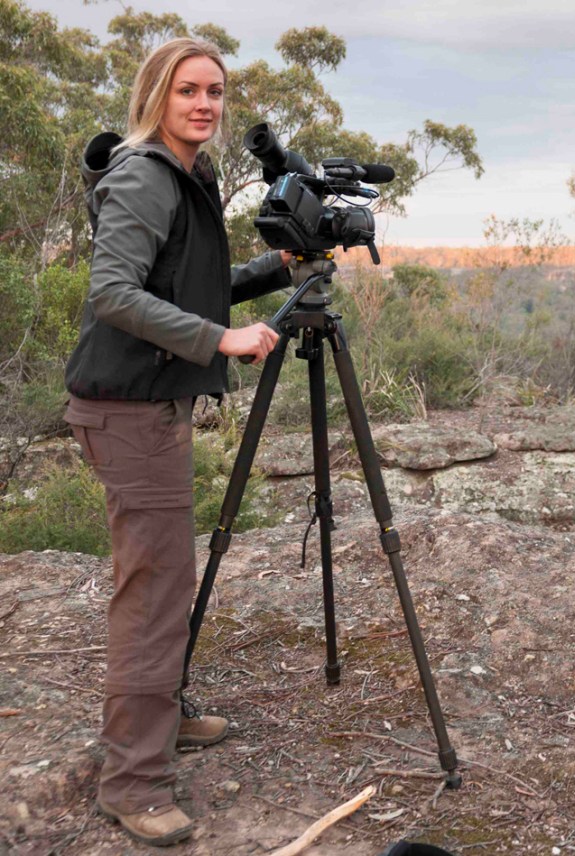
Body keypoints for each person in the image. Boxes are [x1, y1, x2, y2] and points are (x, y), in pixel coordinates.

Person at [63, 37, 290, 846]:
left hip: (143, 405)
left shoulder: (184, 174)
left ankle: (160, 716)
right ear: (156, 94)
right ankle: (134, 780)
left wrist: (275, 267)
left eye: (215, 91)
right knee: (156, 594)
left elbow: (184, 283)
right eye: (188, 89)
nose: (204, 104)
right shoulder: (142, 175)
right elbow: (116, 295)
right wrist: (218, 341)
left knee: (163, 577)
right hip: (128, 410)